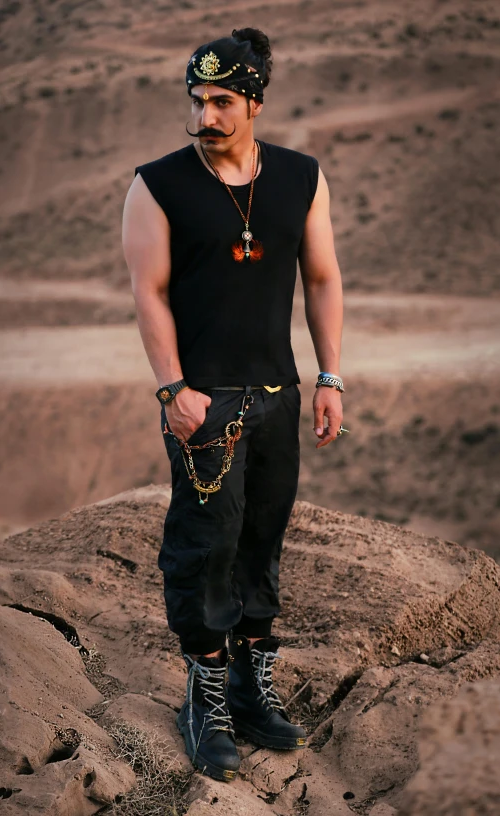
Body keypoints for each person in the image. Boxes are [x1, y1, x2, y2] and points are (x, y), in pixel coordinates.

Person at [122, 27, 345, 783]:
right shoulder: (157, 184)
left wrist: (330, 377)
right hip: (202, 401)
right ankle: (205, 698)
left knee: (261, 540)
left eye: (221, 100)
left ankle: (250, 689)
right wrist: (171, 391)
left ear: (254, 100)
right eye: (196, 99)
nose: (204, 114)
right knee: (204, 545)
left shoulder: (299, 176)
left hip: (280, 393)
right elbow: (147, 293)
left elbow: (322, 279)